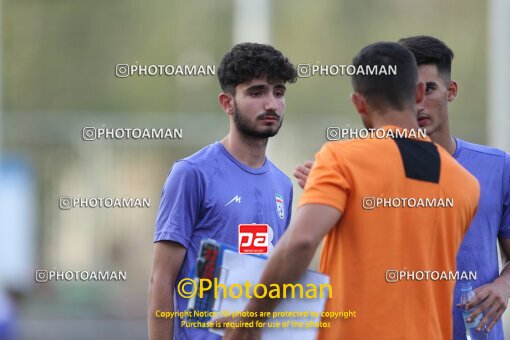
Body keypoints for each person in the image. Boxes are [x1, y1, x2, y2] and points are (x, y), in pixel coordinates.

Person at [220, 41, 480, 339]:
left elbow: (302, 241)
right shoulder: (465, 183)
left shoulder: (341, 159)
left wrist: (248, 322)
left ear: (358, 103)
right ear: (418, 94)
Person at [294, 36, 510, 339]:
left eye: (430, 90)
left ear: (451, 91)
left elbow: (302, 241)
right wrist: (336, 197)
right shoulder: (355, 165)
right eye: (412, 93)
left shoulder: (495, 168)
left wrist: (504, 286)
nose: (419, 103)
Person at [147, 42, 297, 340]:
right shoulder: (192, 174)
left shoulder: (283, 185)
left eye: (278, 92)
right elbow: (161, 279)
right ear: (227, 103)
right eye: (257, 92)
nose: (271, 104)